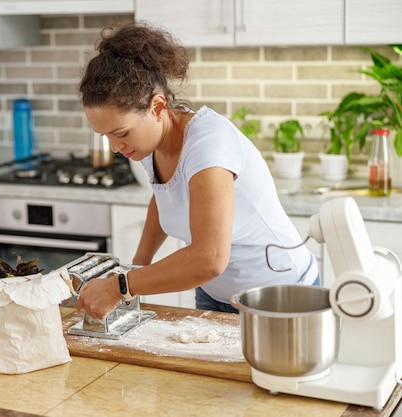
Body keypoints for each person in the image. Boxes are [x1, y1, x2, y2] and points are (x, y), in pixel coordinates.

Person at [76, 22, 319, 319]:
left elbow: (210, 258)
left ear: (157, 106)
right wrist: (138, 264)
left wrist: (121, 286)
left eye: (121, 133)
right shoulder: (148, 142)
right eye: (107, 136)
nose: (115, 147)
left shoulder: (209, 146)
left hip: (276, 297)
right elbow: (165, 196)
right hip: (213, 293)